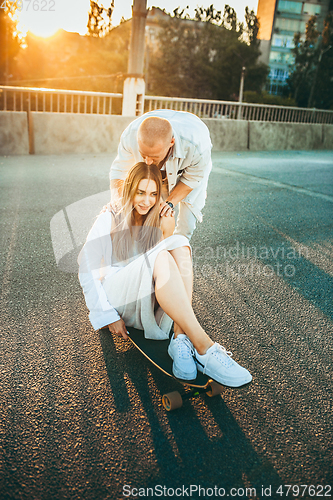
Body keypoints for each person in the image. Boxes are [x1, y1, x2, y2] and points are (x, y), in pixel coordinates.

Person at [79, 162, 252, 387]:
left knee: (180, 242)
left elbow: (164, 267)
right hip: (118, 296)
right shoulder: (111, 216)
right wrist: (107, 315)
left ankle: (180, 339)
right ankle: (204, 348)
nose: (146, 200)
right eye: (140, 192)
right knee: (162, 255)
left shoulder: (157, 215)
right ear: (130, 188)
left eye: (153, 194)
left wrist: (166, 228)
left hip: (146, 299)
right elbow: (86, 265)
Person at [109, 109, 213, 241]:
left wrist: (169, 203)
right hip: (157, 175)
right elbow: (119, 171)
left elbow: (191, 180)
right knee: (150, 213)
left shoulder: (197, 146)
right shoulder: (130, 136)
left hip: (189, 174)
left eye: (153, 157)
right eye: (143, 154)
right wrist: (119, 201)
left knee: (186, 224)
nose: (147, 162)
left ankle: (177, 248)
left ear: (171, 143)